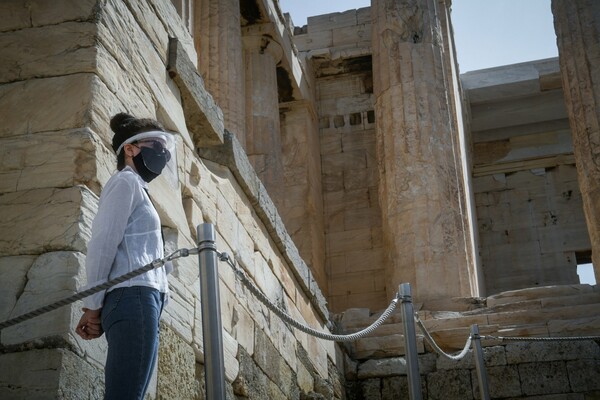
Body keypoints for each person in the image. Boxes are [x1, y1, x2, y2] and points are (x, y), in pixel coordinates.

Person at [75, 112, 174, 399]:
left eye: (164, 149)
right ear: (130, 149)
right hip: (135, 297)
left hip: (141, 300)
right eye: (154, 147)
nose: (162, 154)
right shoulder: (125, 182)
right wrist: (93, 306)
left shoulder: (138, 189)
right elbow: (102, 243)